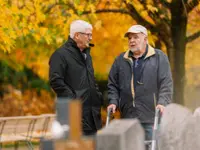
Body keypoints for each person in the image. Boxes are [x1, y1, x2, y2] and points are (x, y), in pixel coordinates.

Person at [107, 24, 173, 140]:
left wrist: (162, 102)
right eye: (129, 38)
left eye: (135, 37)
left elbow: (166, 83)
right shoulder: (120, 60)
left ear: (145, 39)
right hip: (128, 118)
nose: (132, 41)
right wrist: (113, 101)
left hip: (152, 117)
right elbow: (113, 84)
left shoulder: (159, 57)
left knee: (152, 146)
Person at [49, 20, 103, 135]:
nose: (91, 38)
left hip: (92, 115)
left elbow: (91, 79)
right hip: (74, 115)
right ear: (77, 35)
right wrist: (74, 99)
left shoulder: (87, 55)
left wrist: (97, 96)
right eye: (88, 35)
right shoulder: (60, 55)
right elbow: (56, 81)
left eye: (91, 35)